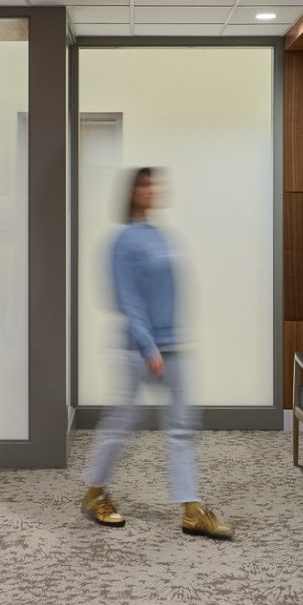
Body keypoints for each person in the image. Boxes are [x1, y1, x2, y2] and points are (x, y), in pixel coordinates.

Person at [80, 168, 233, 540]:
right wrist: (149, 346)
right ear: (132, 193)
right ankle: (94, 493)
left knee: (181, 429)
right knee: (121, 425)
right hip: (137, 351)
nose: (151, 190)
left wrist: (172, 340)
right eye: (144, 184)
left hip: (174, 347)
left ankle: (191, 510)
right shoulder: (123, 241)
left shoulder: (163, 237)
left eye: (154, 183)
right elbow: (127, 298)